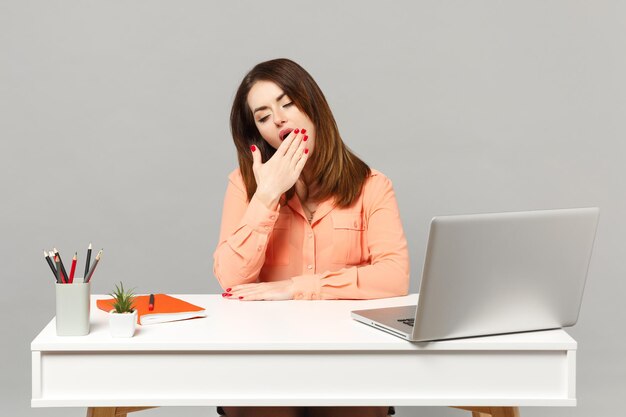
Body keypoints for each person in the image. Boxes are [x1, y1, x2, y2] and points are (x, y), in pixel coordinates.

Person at [213, 58, 409, 417]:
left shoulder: (372, 185)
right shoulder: (244, 185)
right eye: (263, 116)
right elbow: (231, 279)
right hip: (264, 354)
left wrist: (298, 287)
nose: (279, 119)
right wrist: (267, 194)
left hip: (349, 354)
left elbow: (394, 278)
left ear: (312, 106)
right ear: (259, 134)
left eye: (287, 103)